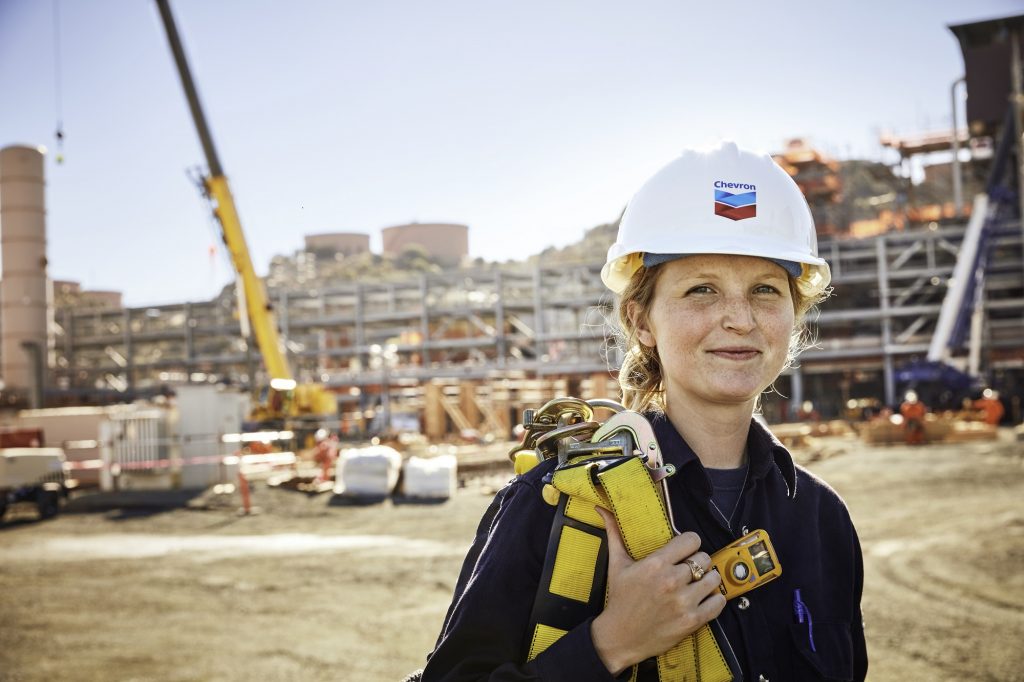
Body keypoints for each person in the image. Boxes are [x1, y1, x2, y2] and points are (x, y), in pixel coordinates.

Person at [420, 142, 868, 681]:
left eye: (765, 291)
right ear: (641, 321)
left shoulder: (820, 519)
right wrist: (609, 645)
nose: (740, 318)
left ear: (793, 320)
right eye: (701, 289)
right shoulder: (556, 501)